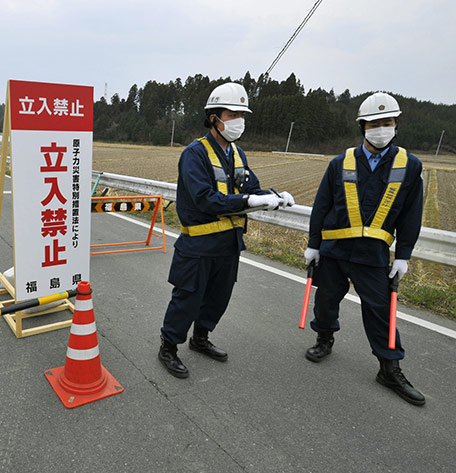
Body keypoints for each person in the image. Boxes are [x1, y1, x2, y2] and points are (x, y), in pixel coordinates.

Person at [158, 82, 294, 378]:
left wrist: (274, 195)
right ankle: (168, 346)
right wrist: (250, 200)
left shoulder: (237, 153)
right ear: (213, 118)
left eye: (241, 115)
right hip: (198, 245)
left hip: (229, 244)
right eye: (232, 115)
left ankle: (201, 338)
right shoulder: (195, 154)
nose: (238, 122)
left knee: (218, 297)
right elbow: (206, 199)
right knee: (188, 297)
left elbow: (251, 187)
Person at [303, 92, 425, 406]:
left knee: (381, 311)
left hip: (372, 255)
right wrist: (313, 245)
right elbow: (322, 206)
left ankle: (389, 367)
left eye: (387, 122)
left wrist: (404, 255)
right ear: (362, 127)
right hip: (334, 249)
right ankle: (324, 338)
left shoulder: (409, 166)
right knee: (326, 300)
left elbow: (412, 214)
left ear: (396, 125)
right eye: (374, 123)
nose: (381, 128)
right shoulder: (340, 163)